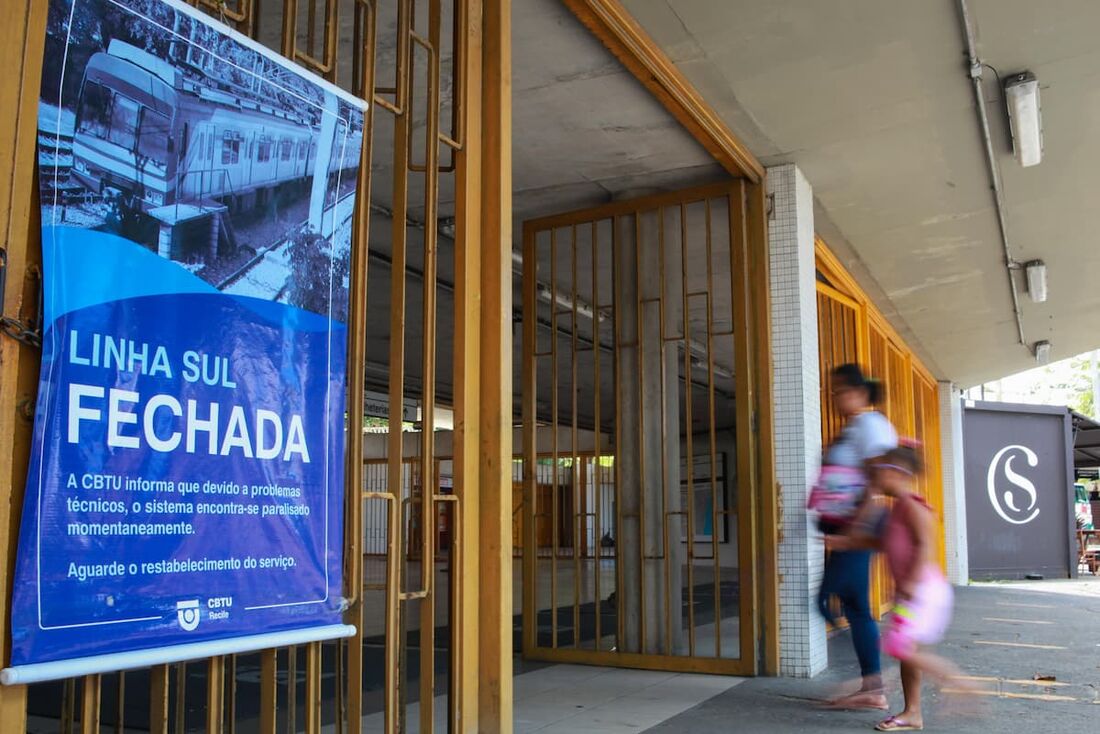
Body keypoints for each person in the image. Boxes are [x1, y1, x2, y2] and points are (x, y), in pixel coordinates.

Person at [827, 445, 969, 731]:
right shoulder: (898, 509)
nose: (876, 477)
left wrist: (910, 586)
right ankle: (912, 713)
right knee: (905, 650)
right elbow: (881, 543)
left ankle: (955, 680)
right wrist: (844, 542)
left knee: (898, 647)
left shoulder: (913, 507)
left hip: (922, 592)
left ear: (896, 473)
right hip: (916, 591)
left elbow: (926, 546)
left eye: (881, 471)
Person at [815, 363, 897, 711]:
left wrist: (853, 534)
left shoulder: (871, 424)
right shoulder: (851, 427)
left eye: (839, 391)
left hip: (856, 531)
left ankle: (875, 682)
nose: (834, 398)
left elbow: (878, 485)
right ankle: (872, 685)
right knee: (856, 607)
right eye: (831, 392)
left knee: (825, 600)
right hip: (844, 531)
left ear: (860, 392)